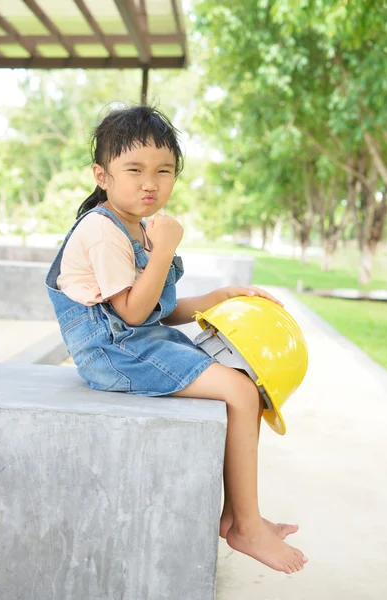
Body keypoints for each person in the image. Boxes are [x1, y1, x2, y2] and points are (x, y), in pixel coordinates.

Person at [46, 104, 308, 574]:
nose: (151, 183)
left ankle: (236, 514)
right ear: (102, 175)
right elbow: (132, 312)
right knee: (240, 390)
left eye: (164, 171)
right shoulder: (103, 230)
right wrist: (164, 247)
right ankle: (246, 526)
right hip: (112, 354)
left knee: (243, 380)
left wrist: (219, 297)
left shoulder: (135, 226)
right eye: (135, 170)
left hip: (131, 341)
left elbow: (159, 312)